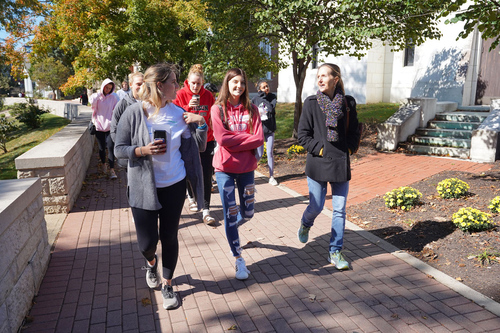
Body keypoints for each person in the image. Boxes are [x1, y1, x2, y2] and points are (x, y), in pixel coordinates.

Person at [114, 63, 207, 310]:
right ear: (159, 85)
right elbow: (118, 149)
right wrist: (142, 150)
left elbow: (199, 147)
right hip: (143, 187)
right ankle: (151, 263)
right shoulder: (134, 113)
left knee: (169, 236)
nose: (178, 86)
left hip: (174, 185)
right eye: (174, 82)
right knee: (146, 243)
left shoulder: (179, 113)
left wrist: (200, 123)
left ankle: (168, 283)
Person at [297, 63, 361, 270]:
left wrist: (349, 149)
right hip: (318, 162)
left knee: (340, 210)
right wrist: (322, 149)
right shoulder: (311, 103)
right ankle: (306, 223)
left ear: (336, 78)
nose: (320, 79)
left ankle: (335, 251)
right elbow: (303, 136)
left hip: (341, 163)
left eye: (325, 75)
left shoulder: (348, 103)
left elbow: (354, 131)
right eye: (318, 76)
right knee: (316, 205)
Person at [211, 68, 264, 280]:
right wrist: (244, 138)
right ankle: (238, 258)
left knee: (248, 213)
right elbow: (221, 139)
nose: (238, 86)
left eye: (242, 83)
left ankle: (229, 225)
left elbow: (259, 138)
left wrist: (234, 140)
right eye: (234, 82)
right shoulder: (217, 109)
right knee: (231, 213)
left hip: (246, 168)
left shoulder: (252, 110)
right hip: (224, 168)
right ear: (227, 83)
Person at [173, 64, 217, 226]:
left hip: (207, 140)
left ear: (202, 82)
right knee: (187, 172)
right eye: (193, 83)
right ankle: (191, 195)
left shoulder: (208, 95)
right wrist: (188, 107)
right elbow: (175, 116)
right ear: (187, 81)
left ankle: (206, 210)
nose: (195, 87)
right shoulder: (180, 94)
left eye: (198, 83)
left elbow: (213, 116)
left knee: (206, 175)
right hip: (187, 140)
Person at [89, 79, 119, 179]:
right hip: (99, 127)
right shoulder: (97, 97)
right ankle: (103, 164)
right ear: (103, 86)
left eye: (110, 88)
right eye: (106, 87)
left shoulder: (114, 97)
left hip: (110, 127)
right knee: (102, 149)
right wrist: (99, 93)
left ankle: (112, 170)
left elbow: (117, 109)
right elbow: (91, 101)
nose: (108, 90)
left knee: (110, 147)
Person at [252, 79, 278, 186]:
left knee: (270, 153)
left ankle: (271, 176)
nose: (266, 88)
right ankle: (250, 171)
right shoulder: (255, 99)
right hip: (259, 130)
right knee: (259, 154)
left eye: (267, 86)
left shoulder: (272, 97)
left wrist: (263, 98)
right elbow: (252, 113)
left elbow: (270, 108)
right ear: (259, 89)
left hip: (270, 129)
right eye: (264, 87)